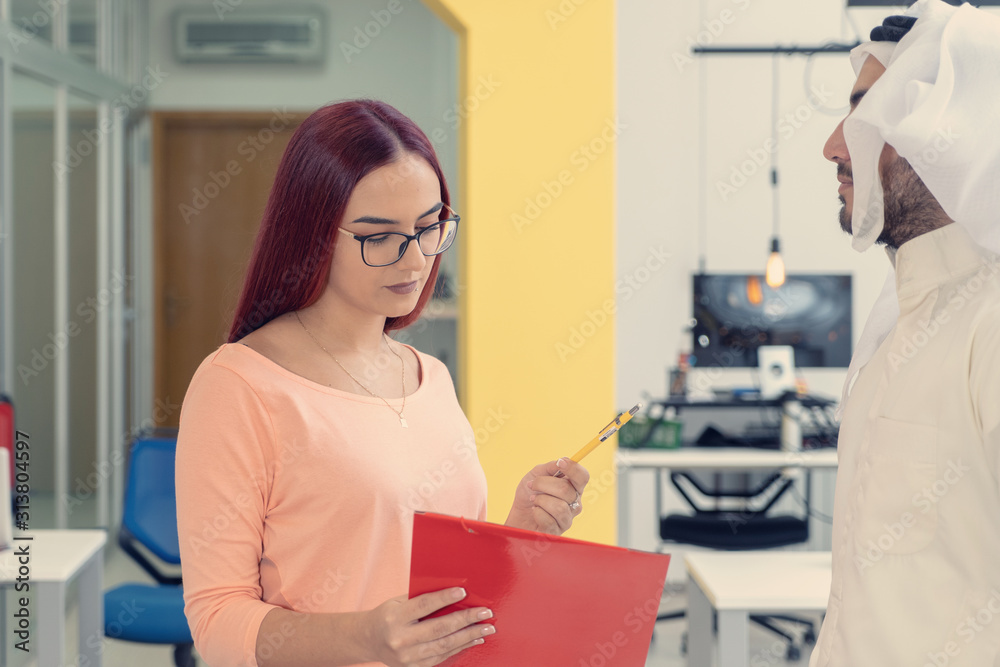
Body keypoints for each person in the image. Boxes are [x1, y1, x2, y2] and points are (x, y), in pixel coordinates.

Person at [175, 99, 590, 667]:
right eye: (380, 236)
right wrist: (365, 638)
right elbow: (217, 622)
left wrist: (519, 530)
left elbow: (443, 594)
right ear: (313, 235)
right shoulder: (239, 386)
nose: (414, 260)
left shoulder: (431, 378)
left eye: (428, 228)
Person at [814, 1, 1000, 664]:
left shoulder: (991, 324)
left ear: (953, 128)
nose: (836, 145)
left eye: (870, 112)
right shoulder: (895, 325)